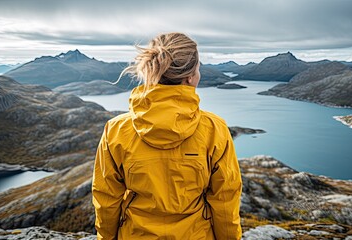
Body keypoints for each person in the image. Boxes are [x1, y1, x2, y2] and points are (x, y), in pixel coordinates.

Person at [92, 32, 242, 239]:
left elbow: (106, 199)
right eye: (198, 69)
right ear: (190, 77)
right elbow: (225, 200)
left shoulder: (116, 130)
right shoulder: (214, 130)